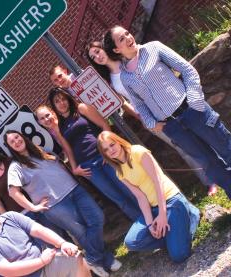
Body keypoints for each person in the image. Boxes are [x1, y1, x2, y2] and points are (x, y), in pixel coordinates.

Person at [103, 25, 231, 198]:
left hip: (193, 111)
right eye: (121, 39)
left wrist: (194, 101)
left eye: (127, 33)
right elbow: (139, 105)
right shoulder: (125, 77)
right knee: (209, 164)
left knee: (226, 147)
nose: (128, 37)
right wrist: (152, 123)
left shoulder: (154, 48)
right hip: (173, 127)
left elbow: (186, 69)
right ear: (116, 49)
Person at [4, 130, 121, 277]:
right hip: (55, 205)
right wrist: (33, 207)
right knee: (81, 233)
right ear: (10, 147)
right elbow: (13, 192)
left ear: (22, 137)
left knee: (97, 217)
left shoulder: (40, 150)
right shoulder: (16, 167)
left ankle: (92, 259)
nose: (16, 141)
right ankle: (107, 259)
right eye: (12, 142)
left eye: (17, 137)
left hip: (75, 190)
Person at [97, 131, 201, 262]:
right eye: (106, 150)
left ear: (119, 141)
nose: (111, 150)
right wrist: (150, 223)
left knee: (179, 256)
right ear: (104, 154)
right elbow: (140, 197)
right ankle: (173, 238)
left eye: (112, 145)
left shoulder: (137, 152)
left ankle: (192, 217)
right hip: (153, 208)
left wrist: (162, 215)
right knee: (132, 242)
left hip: (171, 200)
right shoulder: (119, 172)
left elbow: (158, 181)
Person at [48, 87, 141, 221]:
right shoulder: (59, 127)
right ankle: (144, 225)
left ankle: (153, 214)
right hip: (89, 168)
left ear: (68, 99)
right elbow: (68, 149)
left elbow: (104, 125)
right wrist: (74, 169)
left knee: (129, 189)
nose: (61, 103)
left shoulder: (82, 108)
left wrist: (108, 151)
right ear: (54, 106)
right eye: (57, 101)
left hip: (104, 157)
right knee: (117, 198)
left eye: (63, 99)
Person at [0, 198, 92, 277]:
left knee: (75, 256)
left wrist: (62, 243)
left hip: (45, 265)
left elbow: (39, 230)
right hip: (31, 271)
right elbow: (8, 270)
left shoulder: (11, 217)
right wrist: (42, 261)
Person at [34, 104, 91, 178]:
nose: (46, 119)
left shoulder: (64, 123)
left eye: (47, 115)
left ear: (53, 113)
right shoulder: (51, 133)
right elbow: (66, 149)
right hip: (81, 163)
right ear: (39, 122)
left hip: (91, 154)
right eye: (42, 118)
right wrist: (74, 168)